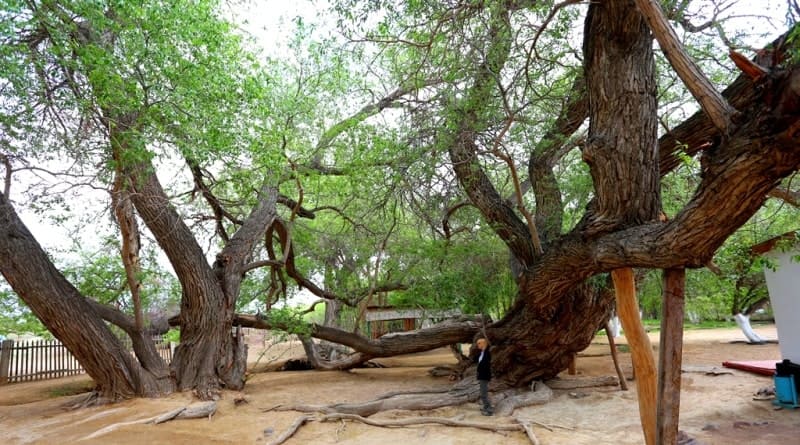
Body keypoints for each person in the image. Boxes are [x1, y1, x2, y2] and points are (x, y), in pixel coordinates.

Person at [475, 337, 493, 416]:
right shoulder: (481, 353)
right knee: (483, 392)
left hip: (485, 376)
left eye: (479, 343)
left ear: (483, 343)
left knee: (483, 394)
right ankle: (485, 407)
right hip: (481, 375)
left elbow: (486, 365)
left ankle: (489, 410)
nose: (477, 345)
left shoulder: (487, 353)